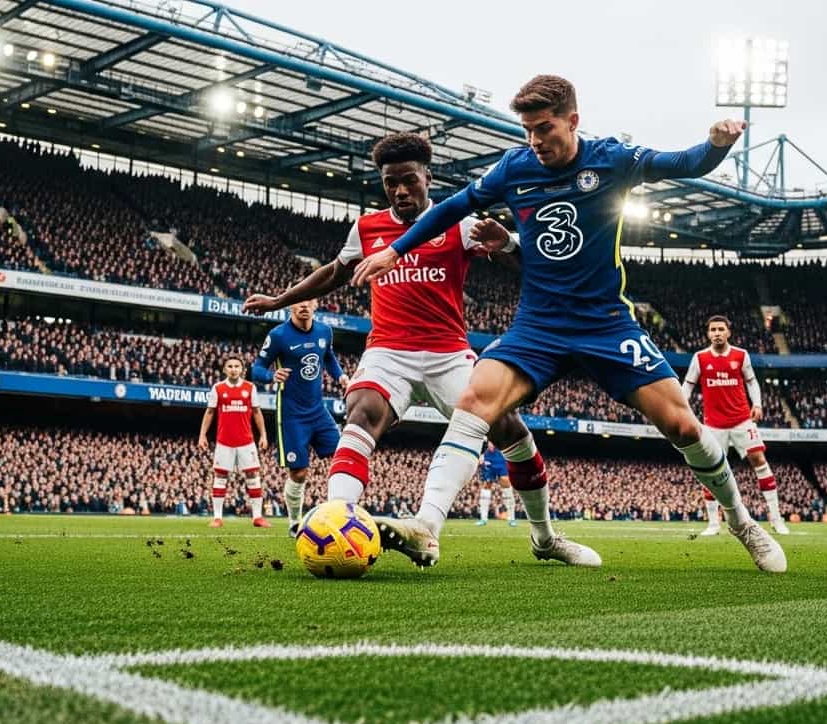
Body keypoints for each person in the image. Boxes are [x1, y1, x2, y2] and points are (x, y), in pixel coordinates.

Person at [348, 75, 784, 572]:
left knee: (683, 424)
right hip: (539, 325)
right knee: (475, 400)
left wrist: (717, 144)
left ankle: (742, 520)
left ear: (572, 120)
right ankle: (427, 526)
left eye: (544, 128)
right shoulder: (514, 167)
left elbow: (681, 164)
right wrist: (395, 250)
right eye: (528, 130)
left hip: (606, 325)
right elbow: (452, 208)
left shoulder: (611, 159)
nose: (534, 140)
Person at [245, 131, 599, 567]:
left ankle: (544, 539)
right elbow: (335, 273)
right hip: (388, 351)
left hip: (448, 353)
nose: (399, 190)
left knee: (510, 431)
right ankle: (339, 517)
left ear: (427, 177)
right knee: (361, 410)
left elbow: (533, 265)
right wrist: (280, 300)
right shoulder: (367, 227)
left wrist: (506, 241)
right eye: (390, 181)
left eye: (408, 180)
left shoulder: (459, 222)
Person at [682, 315, 789, 536]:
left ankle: (777, 519)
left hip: (742, 420)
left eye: (721, 329)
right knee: (710, 469)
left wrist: (757, 404)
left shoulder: (741, 355)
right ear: (708, 333)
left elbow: (751, 381)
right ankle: (713, 523)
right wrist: (683, 410)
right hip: (713, 425)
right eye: (713, 330)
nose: (717, 333)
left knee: (759, 459)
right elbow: (688, 384)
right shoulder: (700, 357)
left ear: (728, 332)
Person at [250, 299, 348, 530]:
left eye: (308, 302)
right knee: (299, 472)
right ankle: (295, 522)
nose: (303, 306)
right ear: (290, 306)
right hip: (292, 414)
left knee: (343, 458)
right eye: (298, 302)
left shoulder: (325, 331)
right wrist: (270, 376)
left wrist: (341, 376)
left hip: (318, 411)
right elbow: (257, 368)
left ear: (315, 304)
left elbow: (328, 358)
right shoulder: (279, 335)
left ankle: (342, 516)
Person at [198, 357, 269, 528]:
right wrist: (202, 435)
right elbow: (209, 413)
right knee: (220, 477)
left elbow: (257, 413)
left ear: (242, 370)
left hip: (246, 441)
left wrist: (263, 435)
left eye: (237, 366)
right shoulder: (218, 388)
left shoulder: (250, 388)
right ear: (224, 370)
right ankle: (217, 517)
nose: (233, 369)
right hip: (224, 442)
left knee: (253, 476)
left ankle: (257, 517)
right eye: (230, 366)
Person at [475, 442, 518, 526]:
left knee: (506, 484)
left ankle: (512, 518)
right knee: (486, 485)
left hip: (500, 456)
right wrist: (480, 454)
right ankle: (483, 519)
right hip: (487, 456)